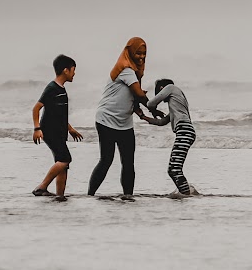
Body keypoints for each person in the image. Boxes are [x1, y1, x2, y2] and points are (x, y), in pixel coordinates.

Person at [88, 36, 154, 201]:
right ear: (130, 52)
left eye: (144, 54)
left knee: (128, 163)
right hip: (107, 120)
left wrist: (140, 112)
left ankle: (128, 197)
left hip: (124, 123)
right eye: (138, 53)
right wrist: (154, 108)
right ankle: (89, 196)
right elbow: (138, 93)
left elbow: (133, 97)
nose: (141, 57)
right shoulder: (125, 69)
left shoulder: (135, 72)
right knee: (106, 160)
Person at [32, 54, 83, 200]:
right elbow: (36, 109)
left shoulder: (61, 89)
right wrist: (37, 129)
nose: (74, 73)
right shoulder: (52, 88)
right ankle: (41, 187)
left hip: (59, 132)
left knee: (63, 164)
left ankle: (60, 195)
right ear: (65, 70)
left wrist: (70, 128)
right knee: (65, 159)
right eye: (73, 70)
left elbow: (59, 114)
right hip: (50, 131)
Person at [146, 77, 198, 197]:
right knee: (174, 169)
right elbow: (162, 122)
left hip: (184, 131)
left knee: (174, 169)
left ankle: (185, 195)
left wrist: (151, 108)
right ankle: (186, 193)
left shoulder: (171, 88)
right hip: (186, 131)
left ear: (161, 89)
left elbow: (150, 103)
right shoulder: (176, 103)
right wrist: (145, 118)